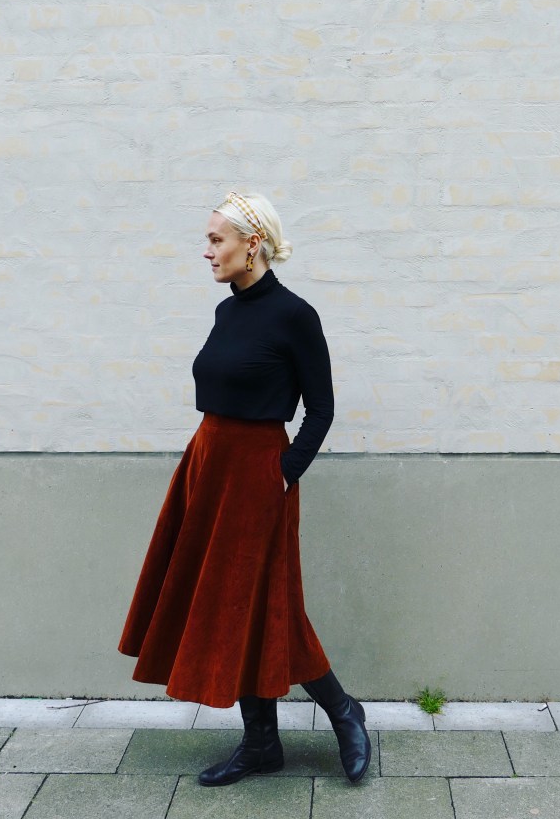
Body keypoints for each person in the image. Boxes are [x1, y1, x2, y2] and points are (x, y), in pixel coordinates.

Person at [118, 191, 371, 786]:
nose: (207, 251)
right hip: (207, 466)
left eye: (216, 240)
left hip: (258, 476)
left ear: (251, 244)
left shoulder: (295, 315)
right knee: (233, 604)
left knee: (265, 602)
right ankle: (261, 744)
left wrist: (284, 471)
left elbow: (321, 408)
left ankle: (343, 710)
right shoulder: (226, 312)